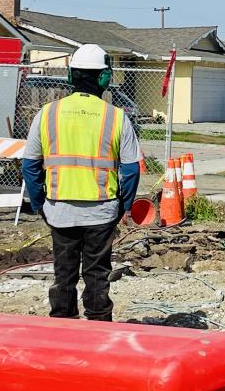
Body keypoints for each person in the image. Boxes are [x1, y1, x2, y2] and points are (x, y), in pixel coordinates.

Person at [22, 44, 141, 321]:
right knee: (97, 273)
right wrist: (124, 206)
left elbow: (29, 165)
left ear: (70, 76)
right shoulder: (117, 117)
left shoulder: (47, 113)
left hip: (59, 209)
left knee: (63, 273)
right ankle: (99, 329)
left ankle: (63, 328)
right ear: (104, 78)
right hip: (101, 211)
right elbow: (132, 170)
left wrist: (40, 203)